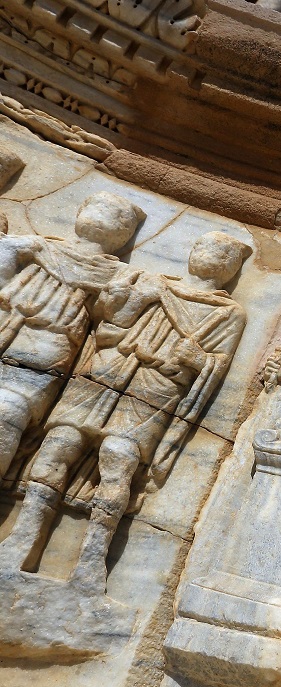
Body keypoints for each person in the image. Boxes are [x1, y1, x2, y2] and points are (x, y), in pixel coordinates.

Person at [0, 232, 249, 590]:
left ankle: (91, 560)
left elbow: (215, 366)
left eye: (224, 253)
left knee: (118, 461)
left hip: (155, 387)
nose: (211, 254)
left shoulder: (229, 314)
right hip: (105, 368)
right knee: (58, 445)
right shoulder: (150, 282)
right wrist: (130, 301)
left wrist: (200, 361)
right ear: (191, 251)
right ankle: (23, 538)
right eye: (204, 245)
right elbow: (108, 325)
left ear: (233, 268)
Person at [0, 192, 144, 479]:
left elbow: (116, 320)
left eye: (120, 218)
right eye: (97, 206)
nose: (105, 216)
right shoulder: (38, 246)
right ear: (80, 211)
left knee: (8, 412)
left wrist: (116, 299)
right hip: (7, 321)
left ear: (126, 236)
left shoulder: (118, 273)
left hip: (48, 345)